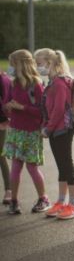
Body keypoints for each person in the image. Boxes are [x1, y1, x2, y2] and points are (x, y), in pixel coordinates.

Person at [35, 48, 74, 220]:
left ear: (50, 63)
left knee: (67, 165)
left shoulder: (60, 83)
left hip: (63, 129)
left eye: (40, 64)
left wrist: (48, 128)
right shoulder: (52, 82)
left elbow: (59, 109)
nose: (38, 67)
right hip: (56, 129)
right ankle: (62, 201)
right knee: (61, 167)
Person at [2, 50, 48, 214]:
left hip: (31, 132)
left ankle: (43, 198)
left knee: (32, 168)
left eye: (12, 63)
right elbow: (7, 104)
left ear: (20, 64)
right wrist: (7, 107)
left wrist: (22, 107)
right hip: (16, 131)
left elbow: (42, 110)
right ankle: (14, 201)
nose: (10, 67)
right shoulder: (13, 83)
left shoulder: (36, 84)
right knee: (15, 167)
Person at [0, 68, 12, 206]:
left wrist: (4, 119)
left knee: (1, 156)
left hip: (1, 123)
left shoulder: (3, 80)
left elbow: (6, 102)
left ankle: (9, 190)